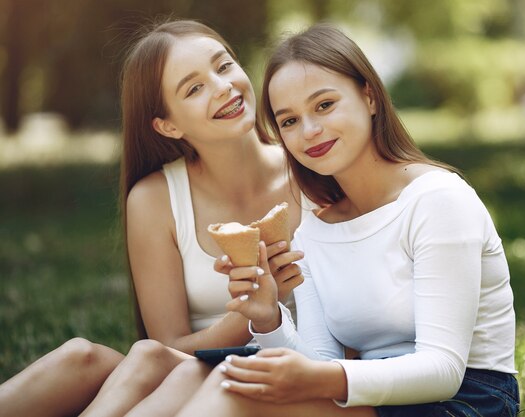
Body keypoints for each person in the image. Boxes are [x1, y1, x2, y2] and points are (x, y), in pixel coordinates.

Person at [175, 23, 519, 417]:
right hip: (368, 391)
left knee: (238, 394)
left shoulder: (438, 200)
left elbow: (443, 371)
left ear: (369, 96)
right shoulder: (312, 230)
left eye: (324, 105)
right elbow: (319, 362)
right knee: (217, 377)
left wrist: (323, 381)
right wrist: (269, 317)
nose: (310, 131)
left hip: (466, 400)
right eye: (289, 121)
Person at [0, 19, 305, 417]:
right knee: (82, 357)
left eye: (224, 65)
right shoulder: (154, 198)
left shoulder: (313, 169)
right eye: (194, 88)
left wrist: (268, 309)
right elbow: (168, 346)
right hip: (185, 365)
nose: (222, 86)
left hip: (283, 371)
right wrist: (252, 309)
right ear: (168, 125)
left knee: (150, 360)